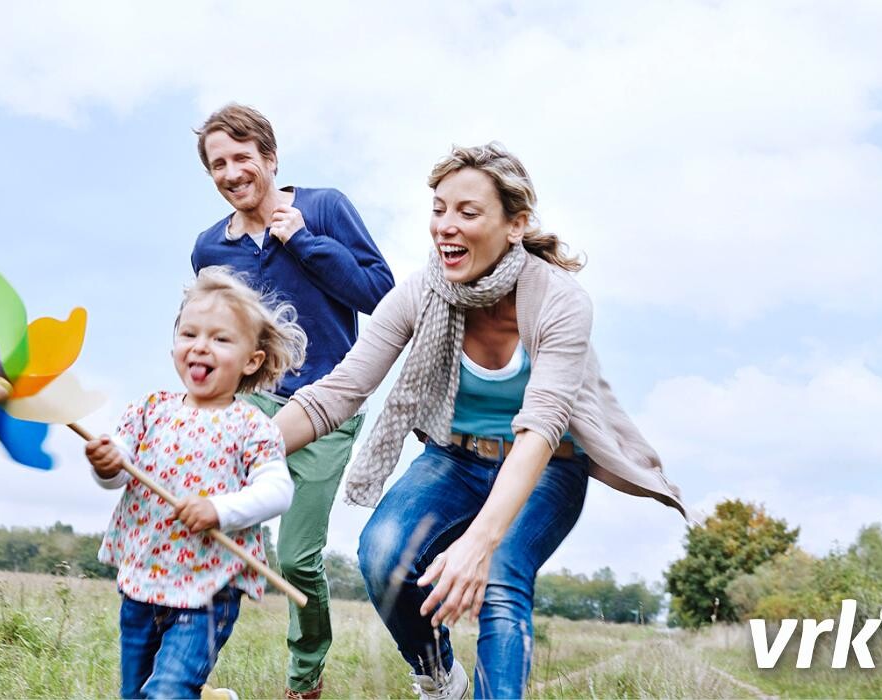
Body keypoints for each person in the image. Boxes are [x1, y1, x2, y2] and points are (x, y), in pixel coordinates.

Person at [274, 142, 693, 699]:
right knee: (383, 553)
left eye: (467, 212)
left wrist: (480, 542)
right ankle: (439, 677)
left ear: (515, 224)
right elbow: (340, 391)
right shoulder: (422, 294)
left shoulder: (560, 302)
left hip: (546, 465)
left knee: (501, 577)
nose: (446, 226)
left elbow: (542, 426)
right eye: (439, 209)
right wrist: (234, 449)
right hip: (454, 457)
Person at [190, 103, 394, 699]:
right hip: (253, 403)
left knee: (297, 561)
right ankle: (185, 673)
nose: (231, 173)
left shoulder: (324, 207)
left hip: (329, 406)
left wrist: (304, 240)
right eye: (217, 165)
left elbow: (377, 291)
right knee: (206, 525)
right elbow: (210, 331)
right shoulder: (209, 250)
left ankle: (305, 682)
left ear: (270, 159)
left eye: (241, 158)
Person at [87, 266, 306, 699]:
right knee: (135, 693)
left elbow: (278, 490)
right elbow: (117, 473)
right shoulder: (149, 410)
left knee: (165, 694)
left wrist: (219, 509)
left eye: (220, 339)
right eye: (189, 334)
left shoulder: (252, 426)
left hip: (209, 590)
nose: (200, 346)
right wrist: (107, 464)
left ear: (252, 360)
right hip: (142, 582)